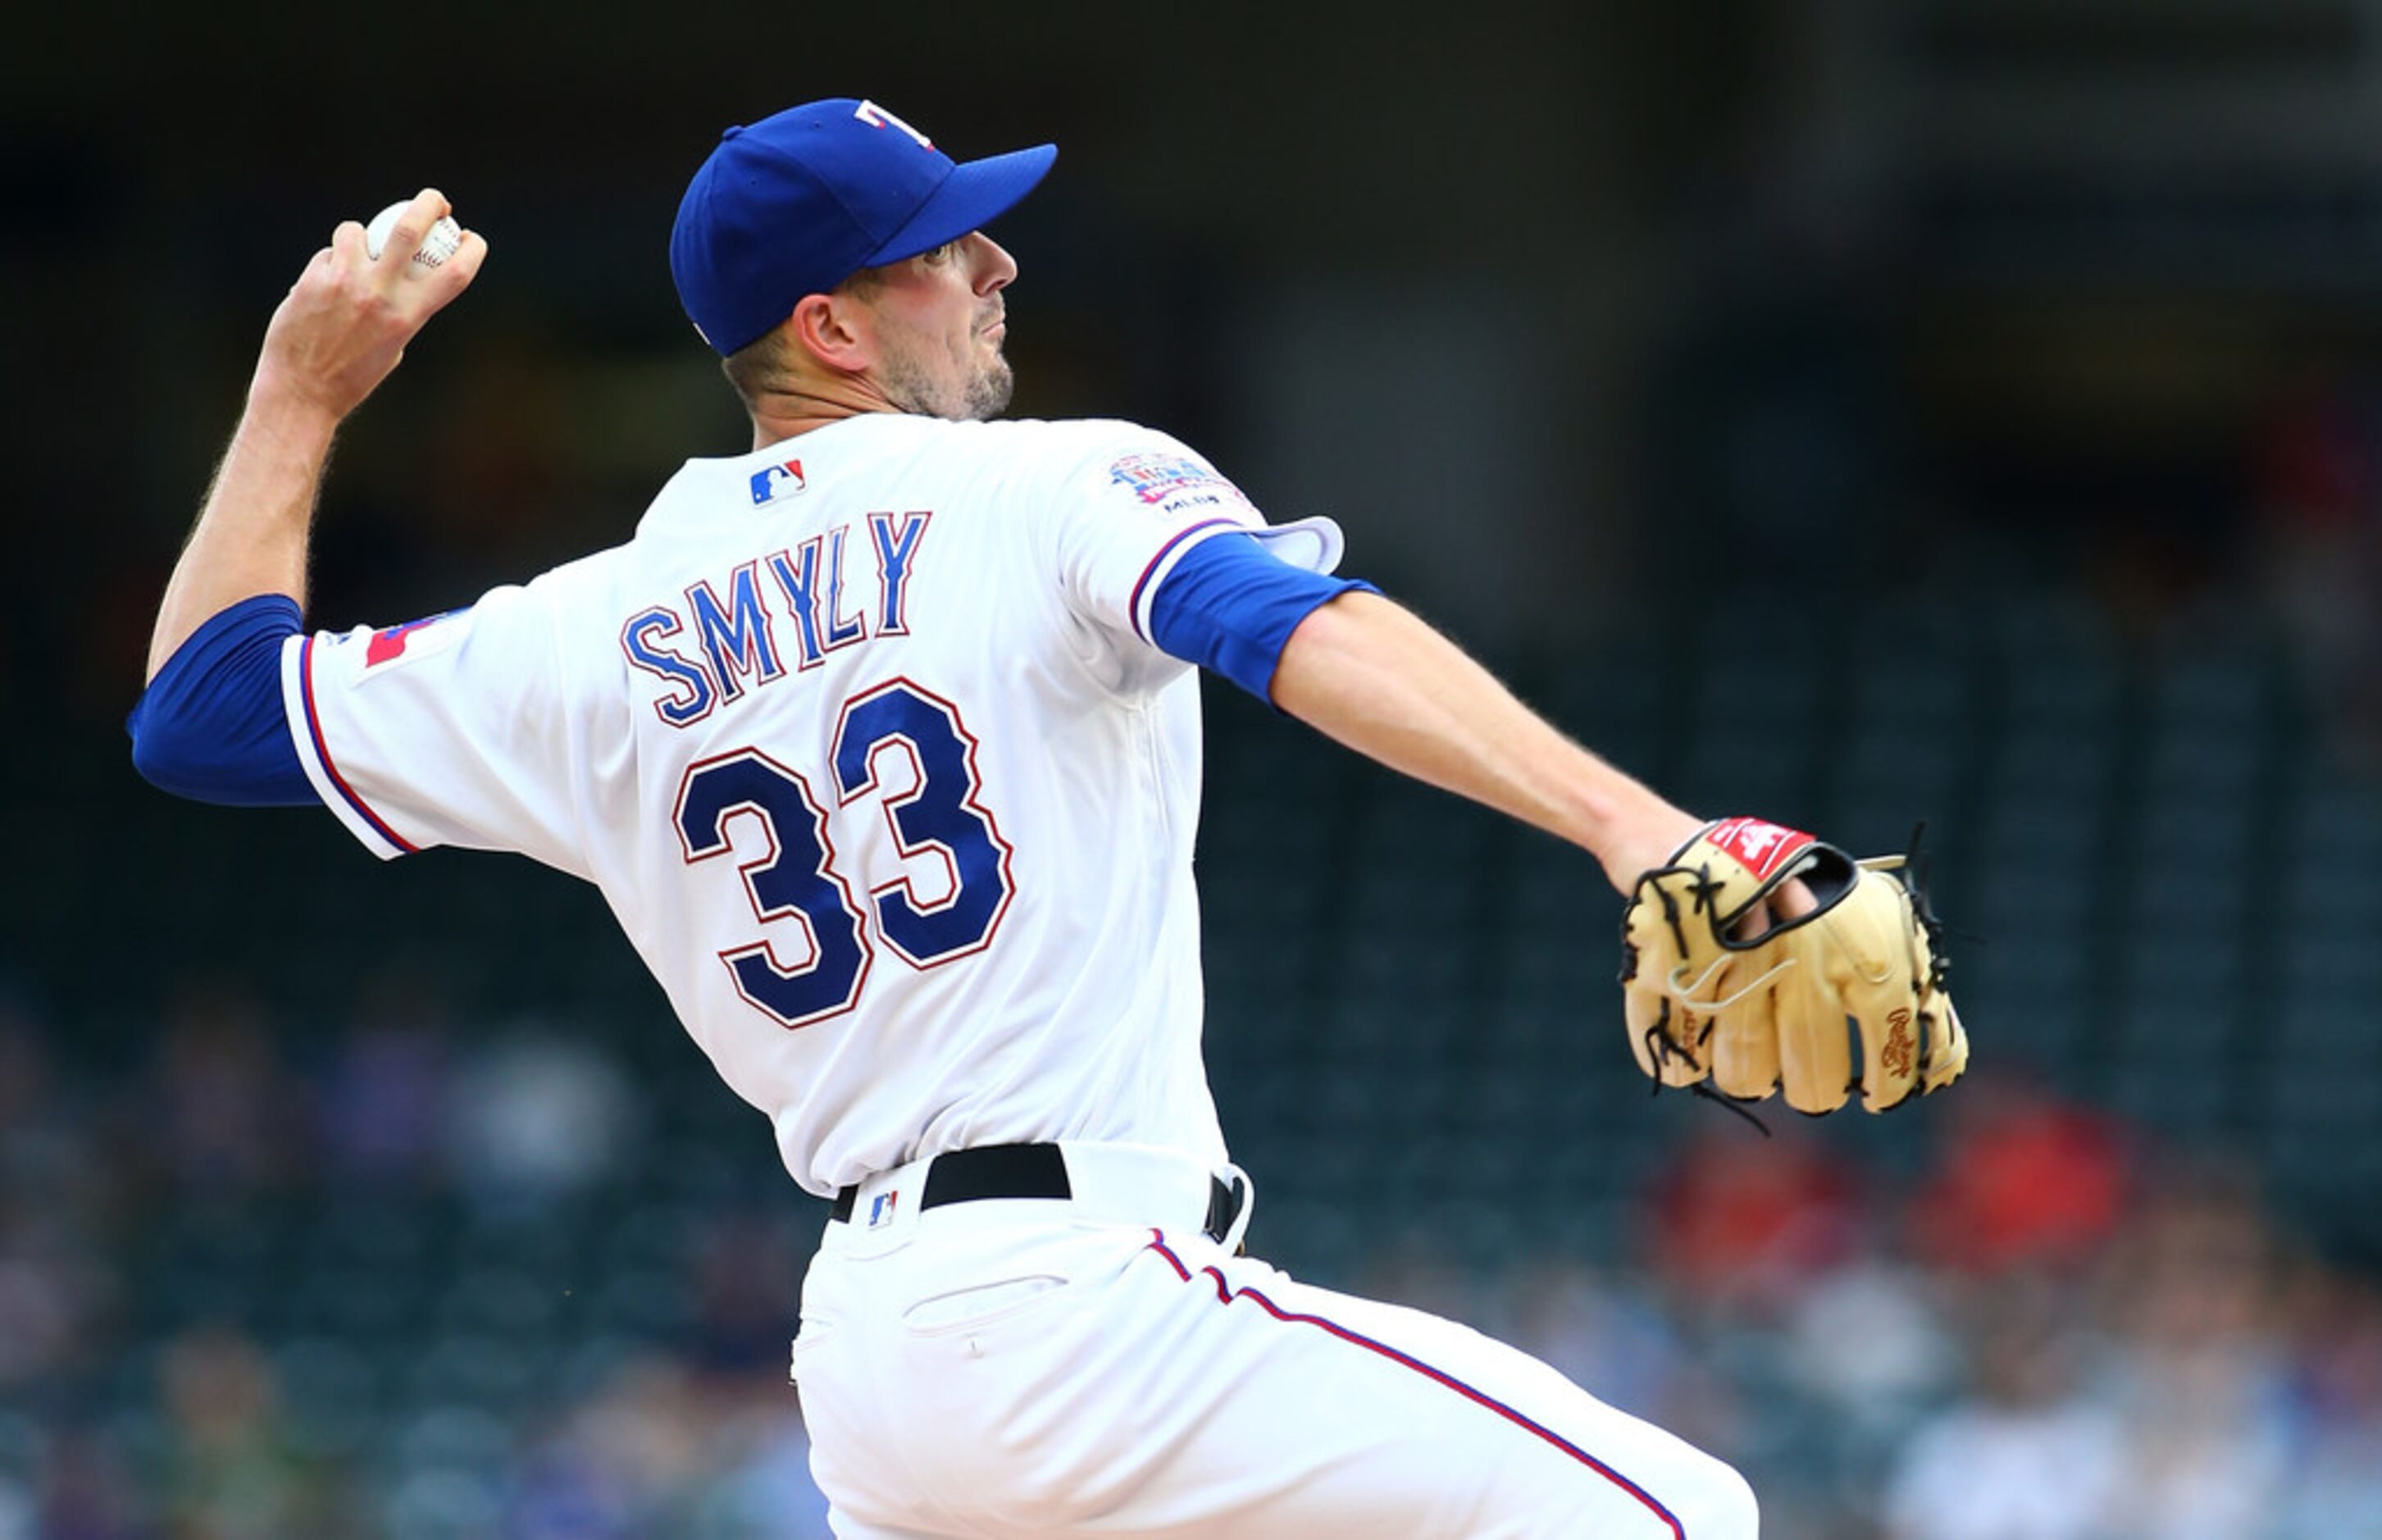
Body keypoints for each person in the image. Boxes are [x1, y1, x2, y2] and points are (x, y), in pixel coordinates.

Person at [130, 97, 1766, 1537]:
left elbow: (201, 713)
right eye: (943, 247)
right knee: (1679, 1511)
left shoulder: (581, 633)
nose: (994, 268)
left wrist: (297, 393)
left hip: (872, 1364)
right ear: (833, 327)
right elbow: (1283, 628)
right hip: (1084, 1312)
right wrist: (1634, 828)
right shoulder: (1043, 486)